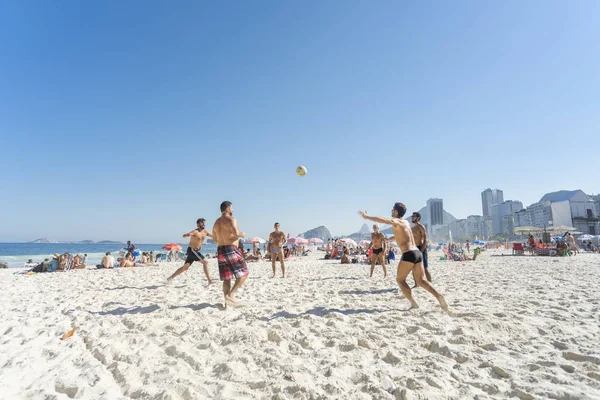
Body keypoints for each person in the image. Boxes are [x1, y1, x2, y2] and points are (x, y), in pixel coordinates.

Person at [359, 203, 448, 311]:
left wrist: (367, 217)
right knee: (421, 281)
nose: (391, 211)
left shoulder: (397, 221)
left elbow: (383, 219)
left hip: (408, 254)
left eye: (392, 210)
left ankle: (413, 303)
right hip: (417, 252)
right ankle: (439, 296)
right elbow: (400, 236)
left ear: (396, 211)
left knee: (400, 280)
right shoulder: (405, 222)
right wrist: (388, 239)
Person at [212, 201, 249, 307]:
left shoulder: (216, 222)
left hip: (220, 250)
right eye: (231, 208)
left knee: (227, 278)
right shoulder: (231, 219)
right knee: (244, 273)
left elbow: (215, 239)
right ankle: (231, 295)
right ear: (227, 209)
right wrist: (242, 234)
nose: (232, 210)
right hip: (231, 248)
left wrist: (225, 236)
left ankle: (227, 303)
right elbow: (236, 233)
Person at [167, 218, 215, 284]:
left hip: (194, 251)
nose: (204, 224)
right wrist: (186, 235)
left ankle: (170, 278)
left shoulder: (205, 232)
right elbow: (189, 234)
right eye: (202, 223)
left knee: (185, 268)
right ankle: (209, 281)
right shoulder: (195, 232)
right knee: (205, 262)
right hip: (192, 250)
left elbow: (213, 236)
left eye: (204, 223)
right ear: (198, 224)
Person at [411, 212, 431, 285]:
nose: (412, 217)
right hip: (414, 248)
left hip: (421, 247)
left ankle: (430, 283)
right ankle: (416, 284)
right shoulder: (412, 228)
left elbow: (425, 239)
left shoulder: (421, 227)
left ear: (418, 218)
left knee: (424, 268)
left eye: (414, 216)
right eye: (412, 216)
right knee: (413, 268)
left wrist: (421, 250)